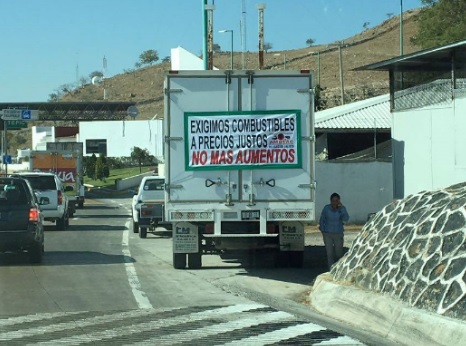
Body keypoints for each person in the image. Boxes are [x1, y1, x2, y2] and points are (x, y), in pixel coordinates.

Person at [319, 192, 350, 270]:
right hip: (328, 234)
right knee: (329, 253)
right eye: (333, 200)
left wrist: (342, 208)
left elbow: (346, 219)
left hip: (338, 233)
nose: (334, 202)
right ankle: (331, 270)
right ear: (330, 201)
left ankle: (339, 269)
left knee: (338, 253)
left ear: (339, 201)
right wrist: (323, 230)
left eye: (336, 200)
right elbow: (322, 220)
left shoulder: (342, 209)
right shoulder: (326, 208)